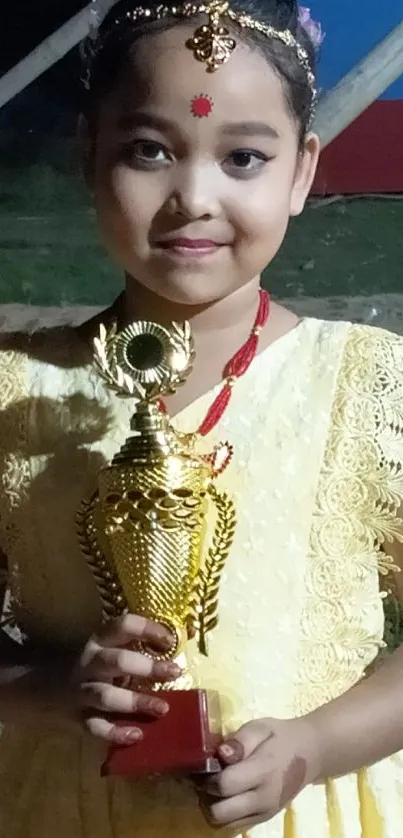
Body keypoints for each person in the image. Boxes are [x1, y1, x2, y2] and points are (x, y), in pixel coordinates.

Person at [1, 0, 403, 835]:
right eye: (148, 150)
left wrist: (316, 743)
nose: (192, 196)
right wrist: (50, 687)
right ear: (88, 156)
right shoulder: (15, 390)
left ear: (300, 172)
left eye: (244, 158)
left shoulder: (366, 385)